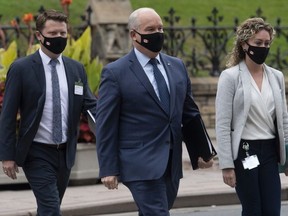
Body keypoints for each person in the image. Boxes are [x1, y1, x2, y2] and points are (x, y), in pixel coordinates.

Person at [96, 7, 215, 216]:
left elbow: (189, 113)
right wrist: (108, 168)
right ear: (134, 35)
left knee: (156, 210)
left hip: (171, 163)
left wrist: (202, 151)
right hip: (138, 163)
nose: (158, 33)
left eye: (160, 28)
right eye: (150, 29)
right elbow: (106, 124)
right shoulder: (115, 72)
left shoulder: (176, 66)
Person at [0, 10, 97, 215]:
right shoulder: (21, 68)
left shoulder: (76, 69)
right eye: (53, 34)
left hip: (65, 153)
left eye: (63, 34)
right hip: (36, 152)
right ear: (39, 36)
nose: (59, 38)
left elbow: (90, 105)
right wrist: (7, 155)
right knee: (51, 208)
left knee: (49, 207)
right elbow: (8, 115)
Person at [216, 17, 288, 216]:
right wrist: (227, 166)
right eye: (258, 43)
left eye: (267, 43)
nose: (263, 47)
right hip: (246, 151)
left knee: (272, 210)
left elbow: (283, 120)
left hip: (270, 152)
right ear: (244, 44)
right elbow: (222, 124)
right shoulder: (230, 77)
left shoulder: (276, 76)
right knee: (253, 210)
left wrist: (287, 158)